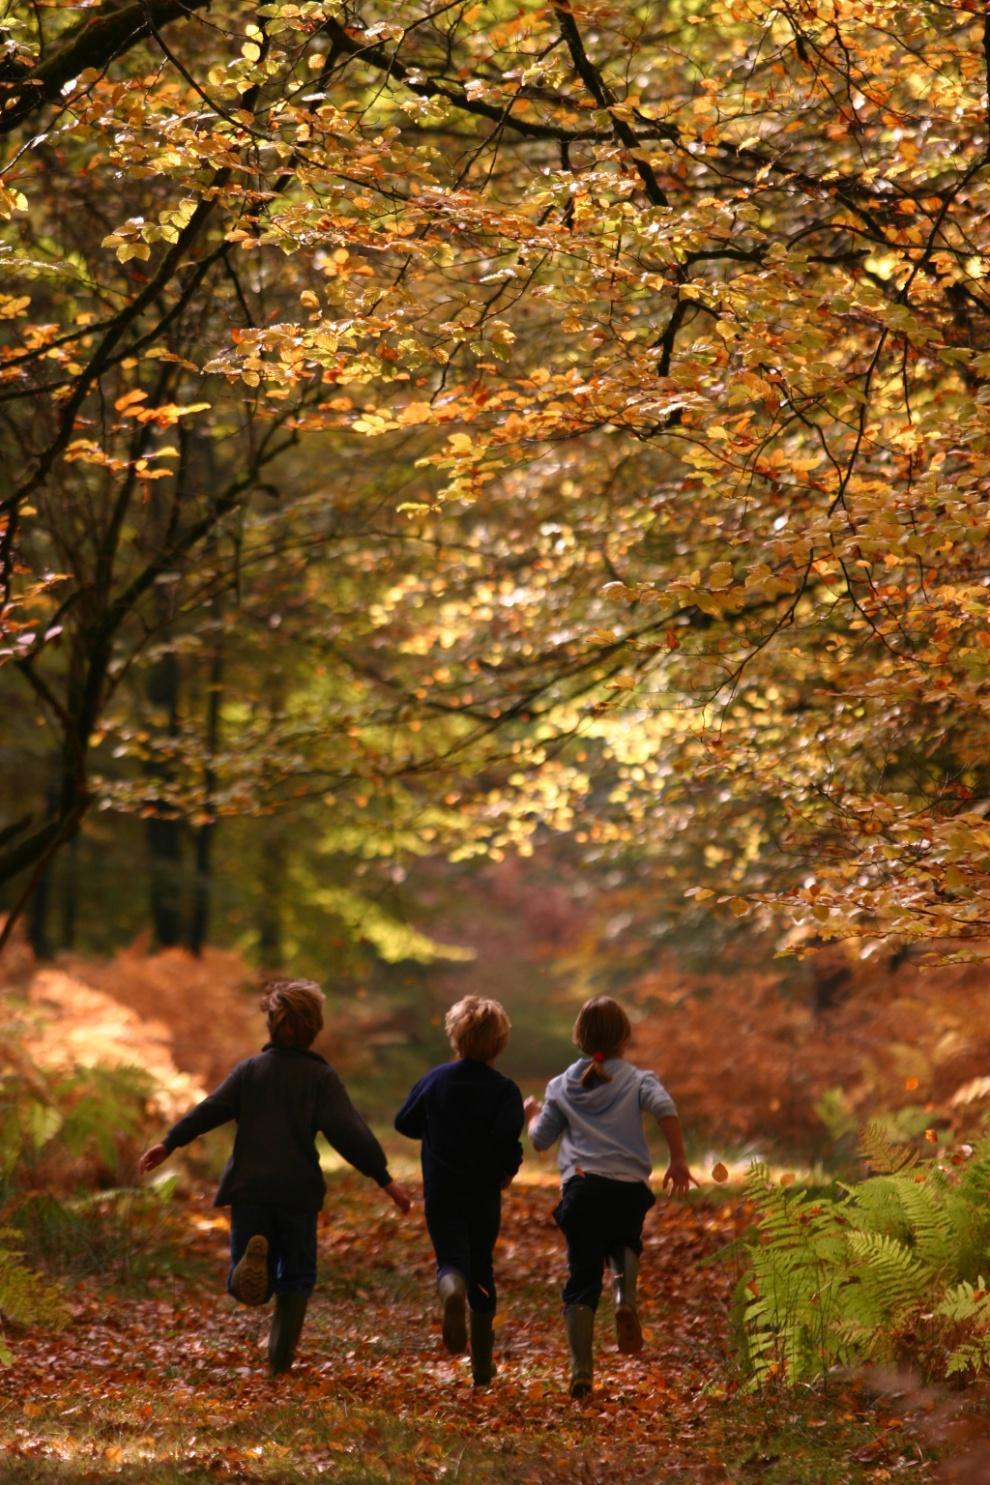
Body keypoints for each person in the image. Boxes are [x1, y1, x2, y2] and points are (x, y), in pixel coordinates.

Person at [138, 978, 411, 1376]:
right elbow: (349, 1133)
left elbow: (210, 1109)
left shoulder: (250, 1071)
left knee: (248, 1276)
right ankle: (279, 1364)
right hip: (297, 1192)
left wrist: (169, 1143)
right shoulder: (321, 1079)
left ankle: (245, 1276)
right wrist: (384, 1180)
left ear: (271, 1024)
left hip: (249, 1188)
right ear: (315, 1027)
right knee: (297, 1276)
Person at [525, 994, 695, 1398]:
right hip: (628, 1189)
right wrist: (678, 1159)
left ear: (579, 1037)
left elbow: (541, 1140)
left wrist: (531, 1114)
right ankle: (624, 1296)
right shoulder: (639, 1079)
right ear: (625, 1037)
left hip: (582, 1189)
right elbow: (666, 1109)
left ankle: (582, 1371)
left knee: (581, 1278)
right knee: (625, 1241)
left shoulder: (561, 1085)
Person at [395, 996, 524, 1388]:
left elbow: (404, 1122)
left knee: (451, 1257)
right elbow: (509, 1143)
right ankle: (482, 1370)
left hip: (442, 1190)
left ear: (455, 1037)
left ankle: (451, 1285)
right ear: (499, 1044)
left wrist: (434, 1128)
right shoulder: (505, 1090)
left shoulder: (435, 1081)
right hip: (483, 1193)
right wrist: (507, 1171)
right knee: (481, 1265)